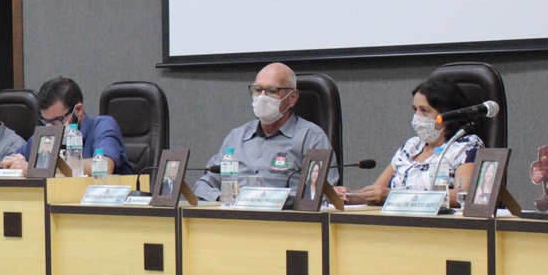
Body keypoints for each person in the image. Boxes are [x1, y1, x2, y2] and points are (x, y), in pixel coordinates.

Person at [336, 77, 483, 205]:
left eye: (424, 110)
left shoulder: (467, 146)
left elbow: (463, 195)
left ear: (447, 114)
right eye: (415, 109)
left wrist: (395, 196)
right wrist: (347, 195)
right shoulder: (411, 146)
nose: (417, 116)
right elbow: (377, 192)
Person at [195, 62, 329, 201]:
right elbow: (202, 186)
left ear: (292, 98)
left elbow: (325, 193)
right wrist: (223, 197)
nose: (262, 97)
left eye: (272, 91)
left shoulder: (312, 137)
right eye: (258, 90)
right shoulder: (236, 138)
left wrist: (275, 199)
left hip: (285, 213)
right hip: (236, 212)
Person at [0, 77, 132, 175]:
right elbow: (5, 164)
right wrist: (14, 164)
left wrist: (37, 168)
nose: (50, 127)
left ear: (78, 110)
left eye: (57, 120)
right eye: (45, 120)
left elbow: (104, 166)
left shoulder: (103, 126)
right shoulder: (46, 135)